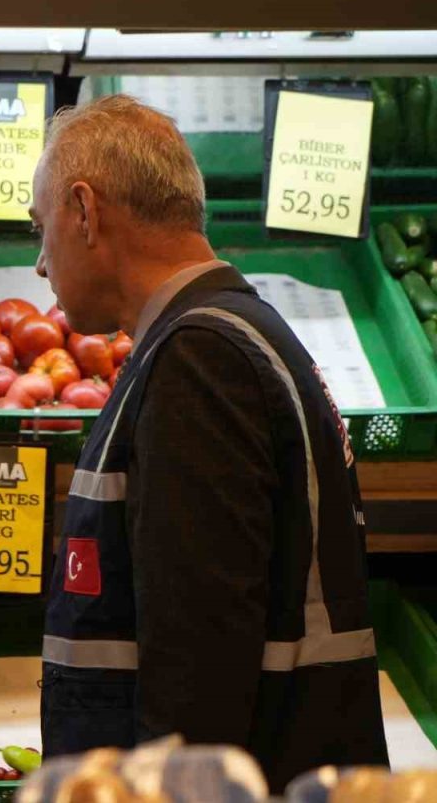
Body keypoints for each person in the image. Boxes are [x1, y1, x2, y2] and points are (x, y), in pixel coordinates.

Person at [31, 95, 388, 790]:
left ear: (84, 211)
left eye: (40, 228)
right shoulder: (236, 334)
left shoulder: (201, 359)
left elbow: (198, 665)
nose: (41, 263)